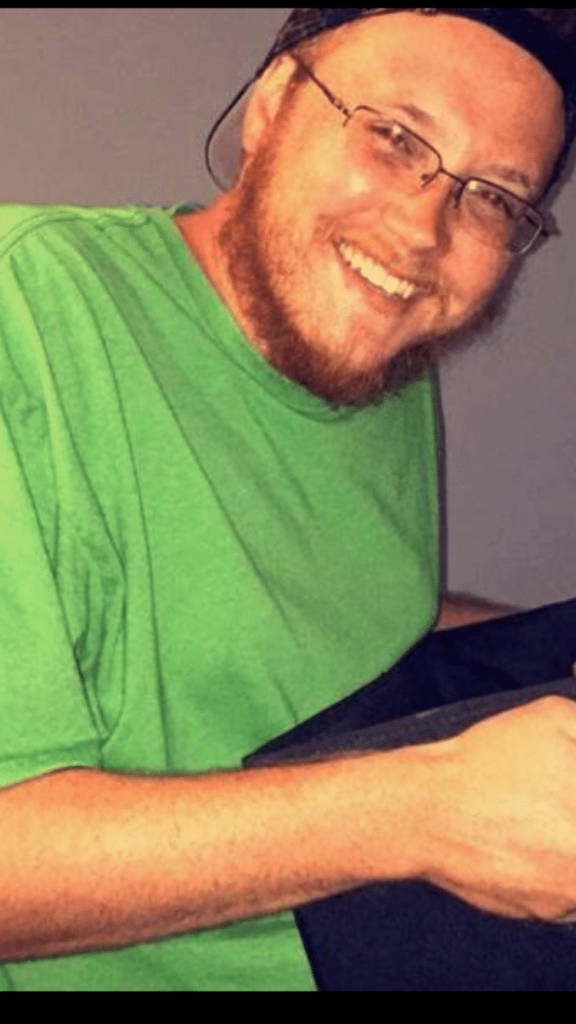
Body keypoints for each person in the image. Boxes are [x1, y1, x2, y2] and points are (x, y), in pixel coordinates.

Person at [0, 7, 575, 992]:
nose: (422, 233)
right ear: (270, 108)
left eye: (491, 197)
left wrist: (539, 649)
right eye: (396, 137)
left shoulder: (381, 366)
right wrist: (423, 809)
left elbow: (302, 608)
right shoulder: (29, 313)